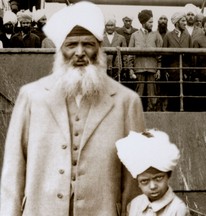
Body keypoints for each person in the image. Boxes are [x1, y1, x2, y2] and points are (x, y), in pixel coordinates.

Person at [0, 2, 145, 216]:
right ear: (60, 50)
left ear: (99, 48)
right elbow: (13, 171)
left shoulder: (126, 101)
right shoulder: (31, 97)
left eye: (87, 44)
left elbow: (135, 176)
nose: (79, 52)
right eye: (71, 44)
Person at [115, 129, 190, 216]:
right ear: (138, 182)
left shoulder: (178, 209)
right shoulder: (134, 205)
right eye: (144, 181)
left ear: (168, 175)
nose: (152, 186)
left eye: (158, 178)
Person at [128, 9, 163, 111]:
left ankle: (152, 116)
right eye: (150, 22)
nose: (152, 24)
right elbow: (130, 54)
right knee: (138, 95)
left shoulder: (156, 35)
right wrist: (130, 69)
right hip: (139, 69)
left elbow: (160, 54)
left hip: (152, 69)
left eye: (152, 22)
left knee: (153, 97)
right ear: (143, 22)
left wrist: (159, 69)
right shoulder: (135, 35)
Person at [162, 11, 192, 111]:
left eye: (185, 21)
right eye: (183, 21)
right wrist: (166, 71)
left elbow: (190, 55)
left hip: (184, 72)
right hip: (172, 72)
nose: (185, 23)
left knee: (186, 97)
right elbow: (164, 55)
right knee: (173, 97)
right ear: (177, 22)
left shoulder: (187, 36)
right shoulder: (168, 36)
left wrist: (188, 70)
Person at [103, 15, 127, 81]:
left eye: (112, 25)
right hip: (103, 68)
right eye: (108, 25)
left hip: (117, 69)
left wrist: (125, 69)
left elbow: (125, 55)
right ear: (105, 26)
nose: (110, 28)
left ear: (115, 26)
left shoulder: (121, 38)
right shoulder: (100, 38)